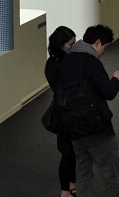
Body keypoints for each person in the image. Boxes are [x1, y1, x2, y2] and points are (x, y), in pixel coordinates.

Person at [57, 24, 119, 197]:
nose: (103, 52)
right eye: (105, 47)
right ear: (97, 42)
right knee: (111, 173)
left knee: (83, 170)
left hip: (73, 126)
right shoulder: (91, 61)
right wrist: (116, 79)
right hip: (95, 126)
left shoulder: (67, 61)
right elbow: (108, 92)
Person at [46, 25, 78, 197]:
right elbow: (60, 89)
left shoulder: (70, 58)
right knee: (67, 153)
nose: (74, 46)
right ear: (60, 44)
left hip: (75, 111)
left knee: (74, 152)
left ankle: (72, 183)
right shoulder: (52, 65)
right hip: (64, 114)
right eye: (71, 44)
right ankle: (65, 191)